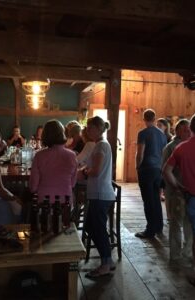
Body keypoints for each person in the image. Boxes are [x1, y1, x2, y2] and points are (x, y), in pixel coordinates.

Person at [163, 113, 195, 290]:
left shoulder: (181, 148)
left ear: (190, 128)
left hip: (192, 198)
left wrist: (177, 186)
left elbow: (166, 171)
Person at [83, 116, 116, 278]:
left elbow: (95, 171)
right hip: (100, 193)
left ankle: (105, 264)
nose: (88, 131)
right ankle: (108, 260)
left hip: (100, 193)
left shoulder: (101, 146)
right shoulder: (101, 145)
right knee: (91, 226)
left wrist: (85, 171)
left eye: (90, 128)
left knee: (98, 228)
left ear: (97, 128)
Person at [161, 119, 193, 263]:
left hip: (190, 190)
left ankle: (188, 252)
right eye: (184, 129)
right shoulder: (171, 147)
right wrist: (175, 187)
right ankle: (175, 254)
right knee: (175, 222)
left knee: (189, 222)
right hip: (175, 190)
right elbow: (166, 170)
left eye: (189, 129)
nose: (188, 132)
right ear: (177, 131)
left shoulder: (192, 145)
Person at [135, 109, 167, 239]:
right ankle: (158, 226)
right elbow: (163, 153)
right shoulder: (162, 135)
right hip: (158, 169)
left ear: (144, 119)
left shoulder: (142, 133)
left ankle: (150, 230)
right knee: (156, 199)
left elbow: (140, 152)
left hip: (147, 169)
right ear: (154, 118)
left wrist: (137, 166)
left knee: (148, 200)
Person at [29, 119, 77, 203]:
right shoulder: (72, 155)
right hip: (65, 203)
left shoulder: (39, 156)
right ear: (62, 134)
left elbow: (33, 188)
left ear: (45, 135)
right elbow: (72, 184)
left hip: (44, 204)